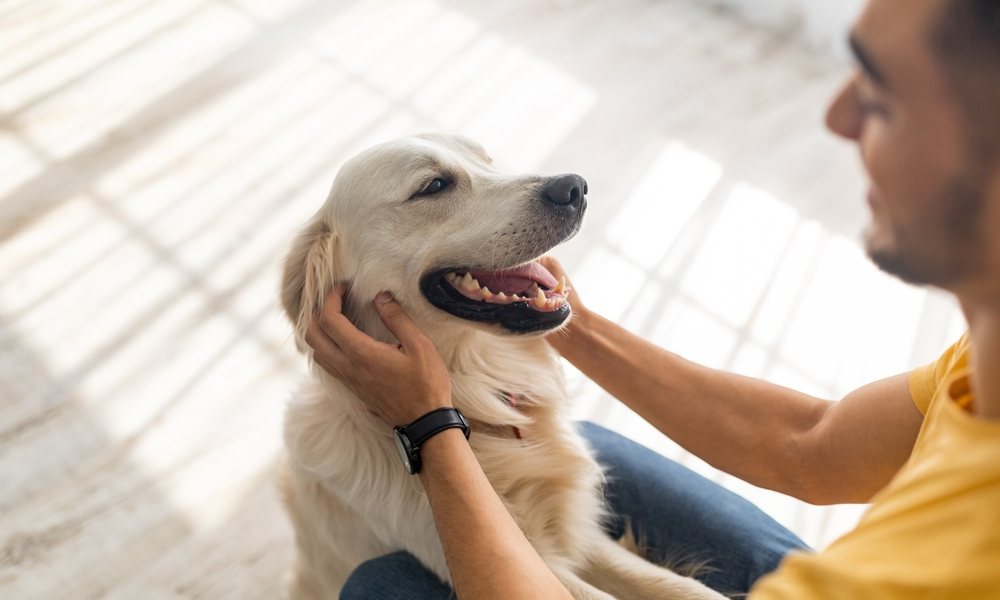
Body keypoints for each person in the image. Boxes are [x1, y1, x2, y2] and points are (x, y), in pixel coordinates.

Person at [303, 0, 1000, 597]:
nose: (837, 114)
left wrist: (430, 429)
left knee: (383, 586)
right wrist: (566, 323)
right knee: (588, 447)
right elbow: (809, 443)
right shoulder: (977, 361)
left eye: (881, 91)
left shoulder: (921, 567)